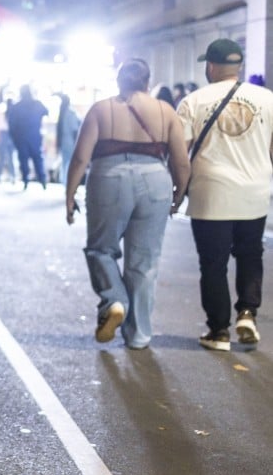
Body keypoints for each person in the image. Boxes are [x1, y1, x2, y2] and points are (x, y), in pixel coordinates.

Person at [65, 59, 189, 350]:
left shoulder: (101, 109)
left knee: (100, 248)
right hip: (155, 179)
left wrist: (70, 194)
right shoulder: (165, 111)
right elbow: (181, 161)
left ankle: (114, 301)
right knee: (144, 262)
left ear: (119, 81)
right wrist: (179, 194)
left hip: (109, 177)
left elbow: (81, 157)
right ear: (148, 81)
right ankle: (139, 335)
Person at [177, 38, 273, 351]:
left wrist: (178, 191)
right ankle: (247, 312)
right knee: (250, 254)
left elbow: (180, 153)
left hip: (210, 193)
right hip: (254, 193)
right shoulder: (267, 100)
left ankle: (219, 331)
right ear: (240, 66)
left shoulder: (193, 101)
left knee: (213, 264)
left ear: (211, 66)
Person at [7, 84, 48, 190]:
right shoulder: (37, 104)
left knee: (23, 160)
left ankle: (26, 180)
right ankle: (42, 180)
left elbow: (11, 124)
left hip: (21, 138)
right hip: (34, 137)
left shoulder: (17, 107)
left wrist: (14, 138)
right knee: (37, 158)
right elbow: (46, 112)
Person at [55, 93, 80, 186]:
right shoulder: (71, 113)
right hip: (70, 142)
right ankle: (68, 184)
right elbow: (75, 130)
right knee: (69, 163)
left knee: (66, 163)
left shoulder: (63, 112)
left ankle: (66, 183)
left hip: (64, 142)